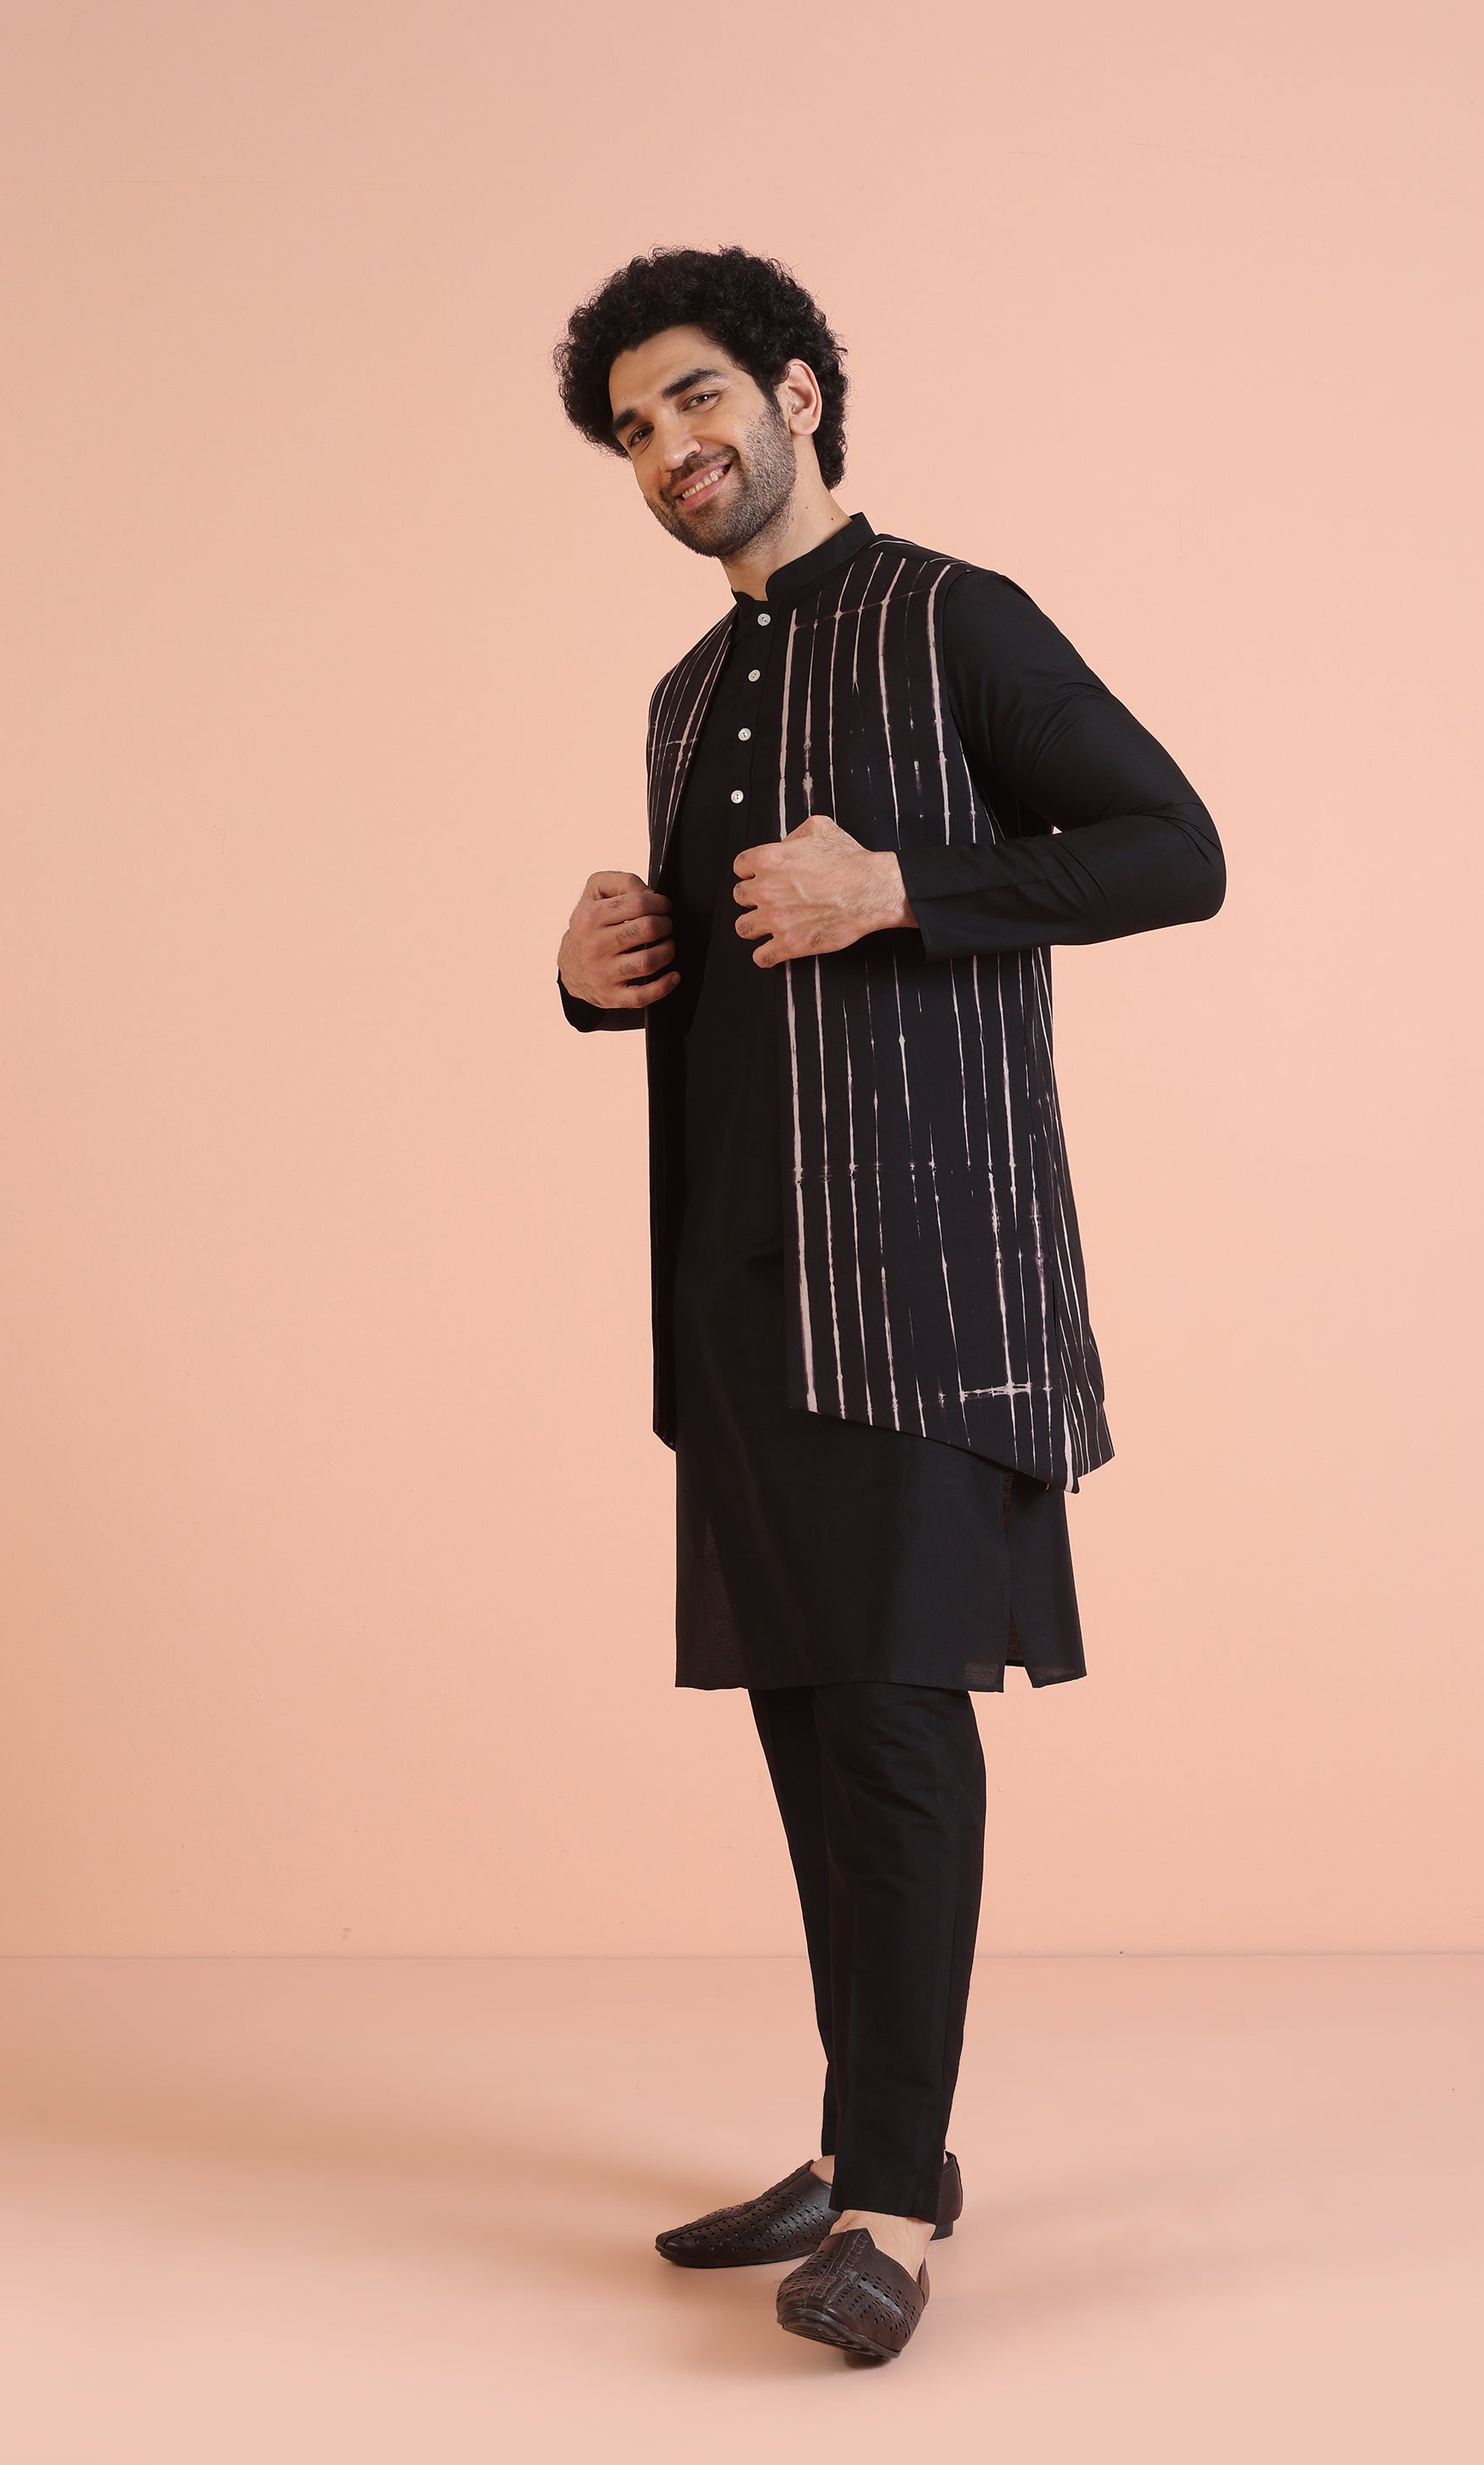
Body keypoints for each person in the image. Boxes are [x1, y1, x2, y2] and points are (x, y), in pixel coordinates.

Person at [552, 246, 1225, 2363]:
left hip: (923, 1284)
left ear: (798, 392)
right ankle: (866, 2139)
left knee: (900, 1719)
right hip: (736, 1293)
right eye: (634, 433)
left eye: (695, 399)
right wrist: (591, 980)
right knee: (805, 1723)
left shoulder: (956, 620)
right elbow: (718, 984)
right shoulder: (685, 696)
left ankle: (896, 2210)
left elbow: (1176, 850)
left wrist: (907, 885)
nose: (671, 449)